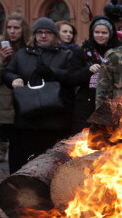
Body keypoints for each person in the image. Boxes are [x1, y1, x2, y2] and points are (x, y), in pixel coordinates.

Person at [4, 18, 73, 172]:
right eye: (39, 32)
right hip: (27, 118)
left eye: (47, 32)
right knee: (25, 159)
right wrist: (14, 79)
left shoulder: (65, 54)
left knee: (51, 163)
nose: (43, 36)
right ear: (34, 35)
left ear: (54, 35)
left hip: (54, 119)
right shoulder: (22, 54)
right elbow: (8, 71)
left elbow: (72, 76)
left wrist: (53, 72)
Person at [67, 15, 121, 134]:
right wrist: (88, 70)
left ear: (110, 34)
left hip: (109, 104)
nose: (100, 35)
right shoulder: (82, 52)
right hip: (85, 105)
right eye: (97, 32)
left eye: (104, 32)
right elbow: (71, 78)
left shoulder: (117, 53)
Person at [0, 13, 30, 165]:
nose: (12, 31)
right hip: (7, 100)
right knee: (13, 144)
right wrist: (2, 60)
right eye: (9, 27)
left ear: (23, 30)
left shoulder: (30, 47)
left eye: (16, 28)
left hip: (27, 99)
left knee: (27, 145)